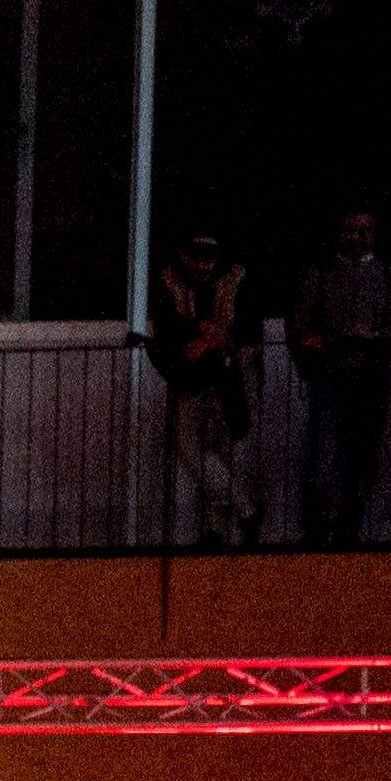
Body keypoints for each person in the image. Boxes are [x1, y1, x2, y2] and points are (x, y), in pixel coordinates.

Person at [289, 208, 391, 545]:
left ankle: (348, 529)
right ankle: (316, 528)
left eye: (364, 230)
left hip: (371, 377)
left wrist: (370, 336)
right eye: (350, 229)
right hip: (329, 374)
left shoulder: (389, 273)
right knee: (323, 453)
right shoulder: (320, 272)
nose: (356, 237)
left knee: (363, 453)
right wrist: (321, 344)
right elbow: (300, 326)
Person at [146, 230, 257, 545]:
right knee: (196, 452)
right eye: (197, 258)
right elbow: (169, 332)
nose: (203, 266)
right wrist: (197, 335)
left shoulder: (230, 283)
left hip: (226, 380)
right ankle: (243, 509)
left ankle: (218, 528)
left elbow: (243, 330)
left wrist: (215, 339)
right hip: (190, 380)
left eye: (209, 259)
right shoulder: (172, 284)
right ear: (184, 256)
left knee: (218, 452)